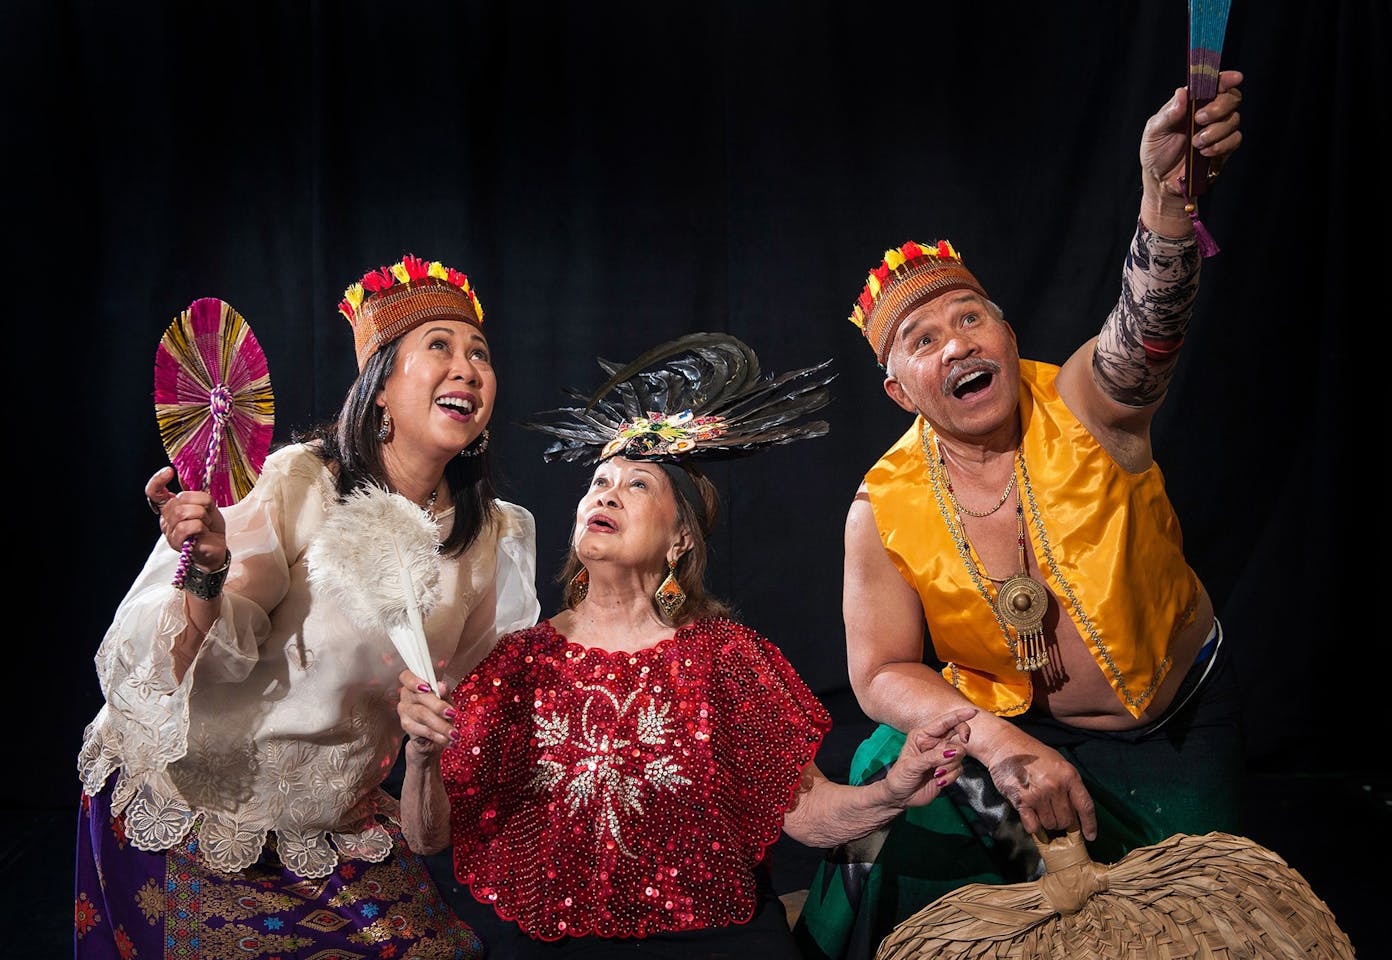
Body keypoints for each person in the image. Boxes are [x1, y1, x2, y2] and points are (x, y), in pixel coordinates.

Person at [793, 72, 1249, 960]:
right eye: (923, 341)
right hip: (1019, 738)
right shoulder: (880, 504)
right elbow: (882, 668)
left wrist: (1163, 203)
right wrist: (997, 742)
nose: (956, 342)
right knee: (888, 756)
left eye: (972, 318)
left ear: (1005, 337)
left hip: (1175, 729)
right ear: (898, 391)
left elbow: (1148, 329)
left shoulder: (1086, 403)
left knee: (1206, 930)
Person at [395, 333, 978, 957]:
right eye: (598, 482)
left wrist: (891, 792)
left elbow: (805, 816)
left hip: (709, 938)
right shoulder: (516, 666)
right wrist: (424, 758)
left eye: (638, 485)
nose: (606, 494)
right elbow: (429, 837)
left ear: (680, 541)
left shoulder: (726, 659)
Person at [74, 255, 539, 959]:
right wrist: (205, 569)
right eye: (438, 347)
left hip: (335, 826)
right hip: (193, 812)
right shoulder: (307, 482)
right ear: (379, 388)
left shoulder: (494, 537)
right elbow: (187, 660)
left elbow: (467, 714)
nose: (467, 368)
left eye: (479, 353)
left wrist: (427, 744)